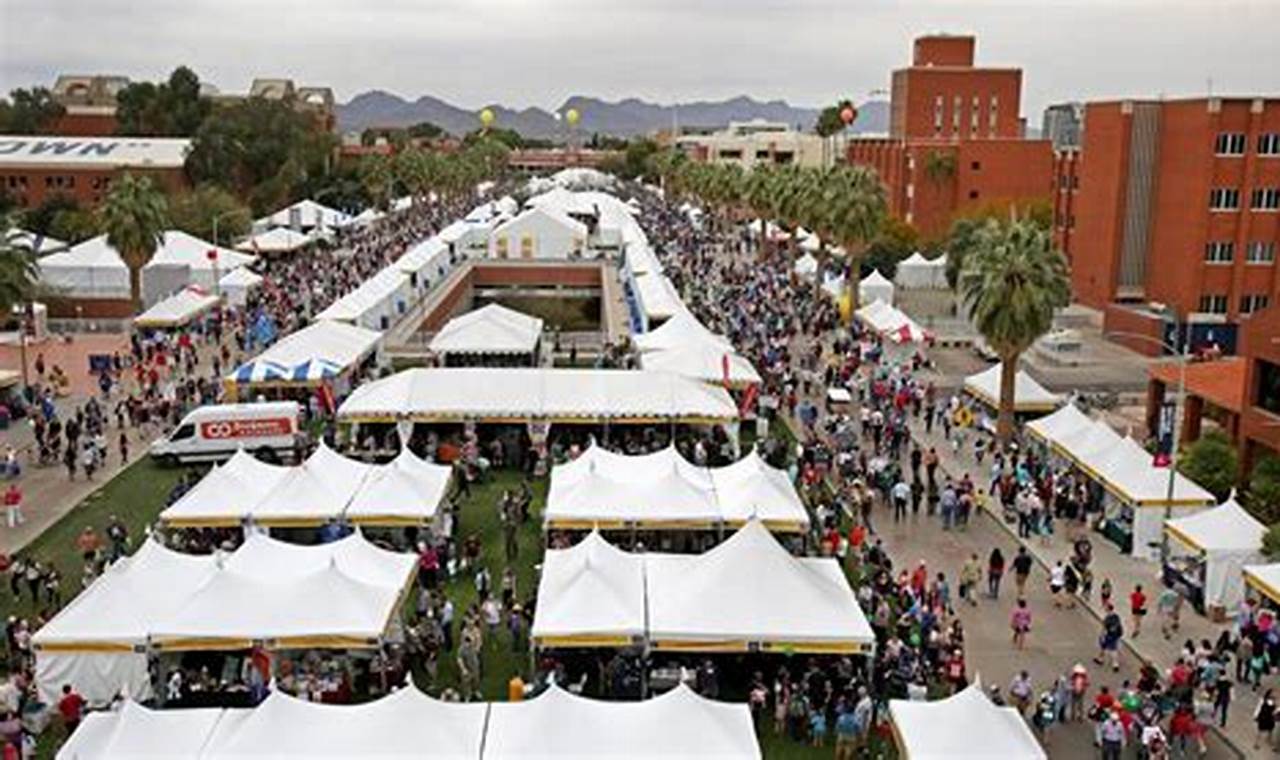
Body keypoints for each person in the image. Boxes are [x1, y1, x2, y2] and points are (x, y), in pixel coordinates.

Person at [1095, 603, 1123, 672]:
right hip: (1116, 635)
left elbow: (1104, 628)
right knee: (1105, 647)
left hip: (1108, 635)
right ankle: (1101, 659)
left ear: (1107, 609)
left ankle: (1114, 664)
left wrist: (1102, 636)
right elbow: (1119, 626)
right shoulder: (1116, 616)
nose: (1105, 609)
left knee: (1111, 649)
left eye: (1106, 608)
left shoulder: (1107, 618)